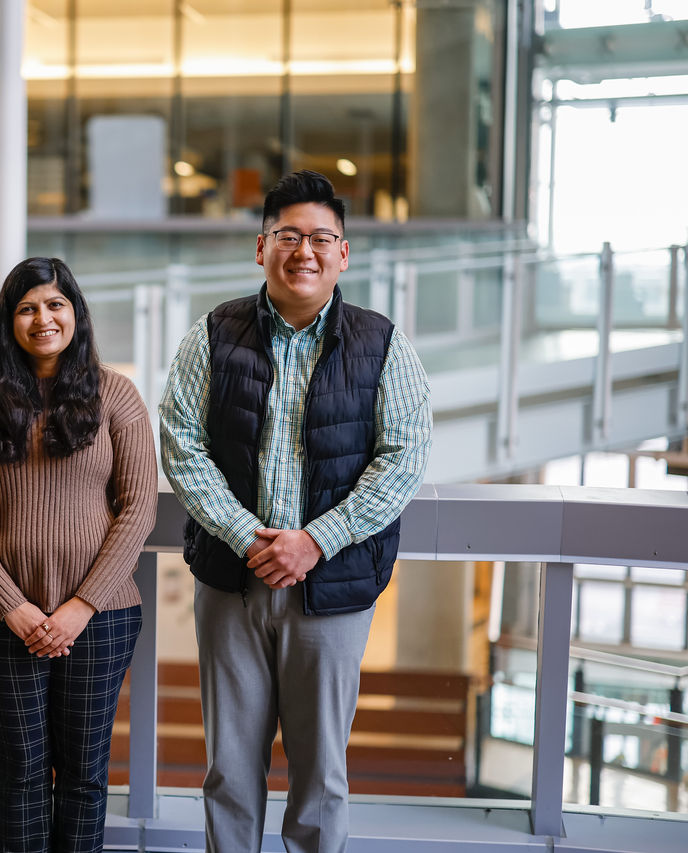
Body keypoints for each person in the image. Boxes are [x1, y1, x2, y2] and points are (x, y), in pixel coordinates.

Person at [159, 170, 432, 853]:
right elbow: (181, 444)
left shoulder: (383, 344)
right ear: (261, 248)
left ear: (343, 253)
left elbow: (404, 457)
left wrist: (315, 541)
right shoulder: (212, 334)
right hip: (232, 581)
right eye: (287, 236)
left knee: (321, 778)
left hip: (333, 590)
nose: (303, 251)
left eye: (320, 238)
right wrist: (246, 536)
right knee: (229, 772)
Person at [0, 257, 158, 853]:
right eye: (27, 308)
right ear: (8, 322)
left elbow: (138, 507)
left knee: (85, 775)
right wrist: (14, 607)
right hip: (3, 618)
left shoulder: (116, 395)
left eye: (55, 305)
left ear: (76, 314)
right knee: (21, 773)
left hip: (102, 619)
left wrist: (80, 607)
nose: (43, 319)